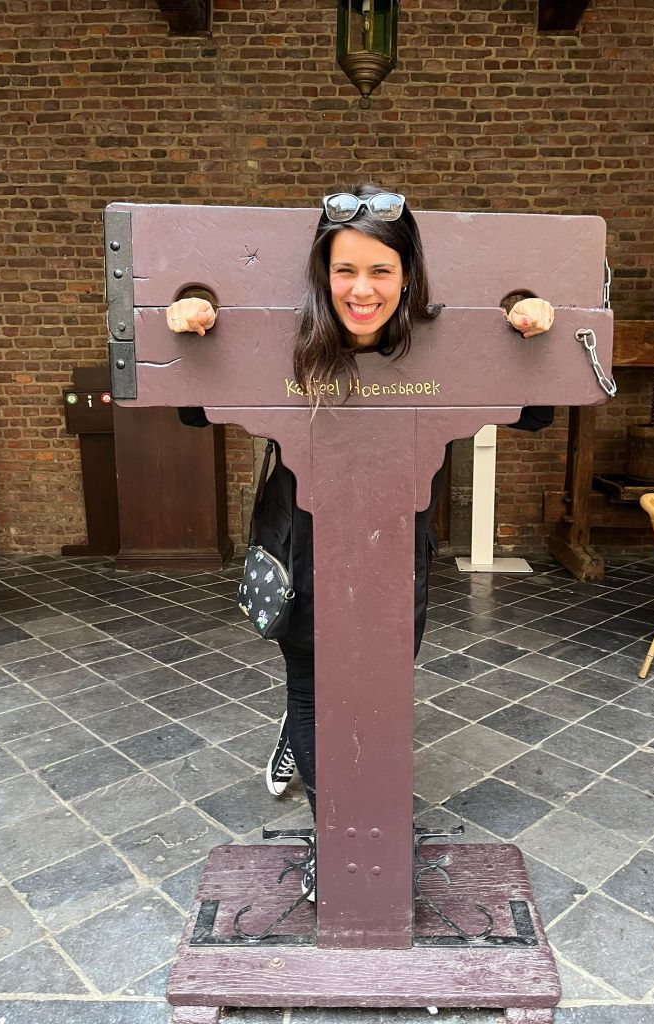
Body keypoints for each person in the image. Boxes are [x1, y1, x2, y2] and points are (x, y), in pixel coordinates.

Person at [169, 185, 555, 899]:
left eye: (381, 270)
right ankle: (335, 831)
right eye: (344, 270)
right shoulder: (287, 337)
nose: (362, 289)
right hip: (302, 548)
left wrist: (528, 324)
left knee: (380, 687)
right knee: (313, 691)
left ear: (408, 277)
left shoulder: (437, 345)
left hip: (395, 550)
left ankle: (336, 774)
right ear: (322, 275)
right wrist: (191, 322)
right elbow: (194, 408)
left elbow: (533, 411)